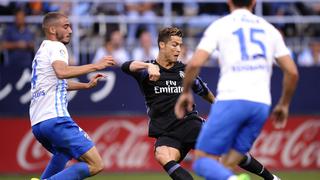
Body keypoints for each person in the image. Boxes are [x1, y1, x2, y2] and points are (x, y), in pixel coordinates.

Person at [122, 27, 282, 180]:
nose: (178, 49)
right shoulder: (147, 71)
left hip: (189, 124)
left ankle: (271, 178)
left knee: (229, 147)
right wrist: (148, 65)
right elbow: (125, 66)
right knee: (162, 154)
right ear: (162, 45)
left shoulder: (184, 70)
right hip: (166, 132)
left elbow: (202, 90)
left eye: (180, 45)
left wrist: (218, 104)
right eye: (174, 45)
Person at [175, 1, 299, 180]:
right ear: (254, 2)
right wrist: (284, 104)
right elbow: (292, 72)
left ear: (229, 1)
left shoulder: (221, 25)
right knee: (225, 165)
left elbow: (194, 63)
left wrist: (186, 92)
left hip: (232, 99)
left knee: (202, 163)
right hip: (260, 105)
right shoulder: (269, 29)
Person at [29, 12, 116, 180]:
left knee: (63, 153)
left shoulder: (41, 51)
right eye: (66, 26)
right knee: (96, 164)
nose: (70, 30)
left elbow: (56, 83)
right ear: (53, 29)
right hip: (56, 119)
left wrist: (85, 85)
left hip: (38, 124)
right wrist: (96, 65)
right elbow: (61, 73)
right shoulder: (57, 47)